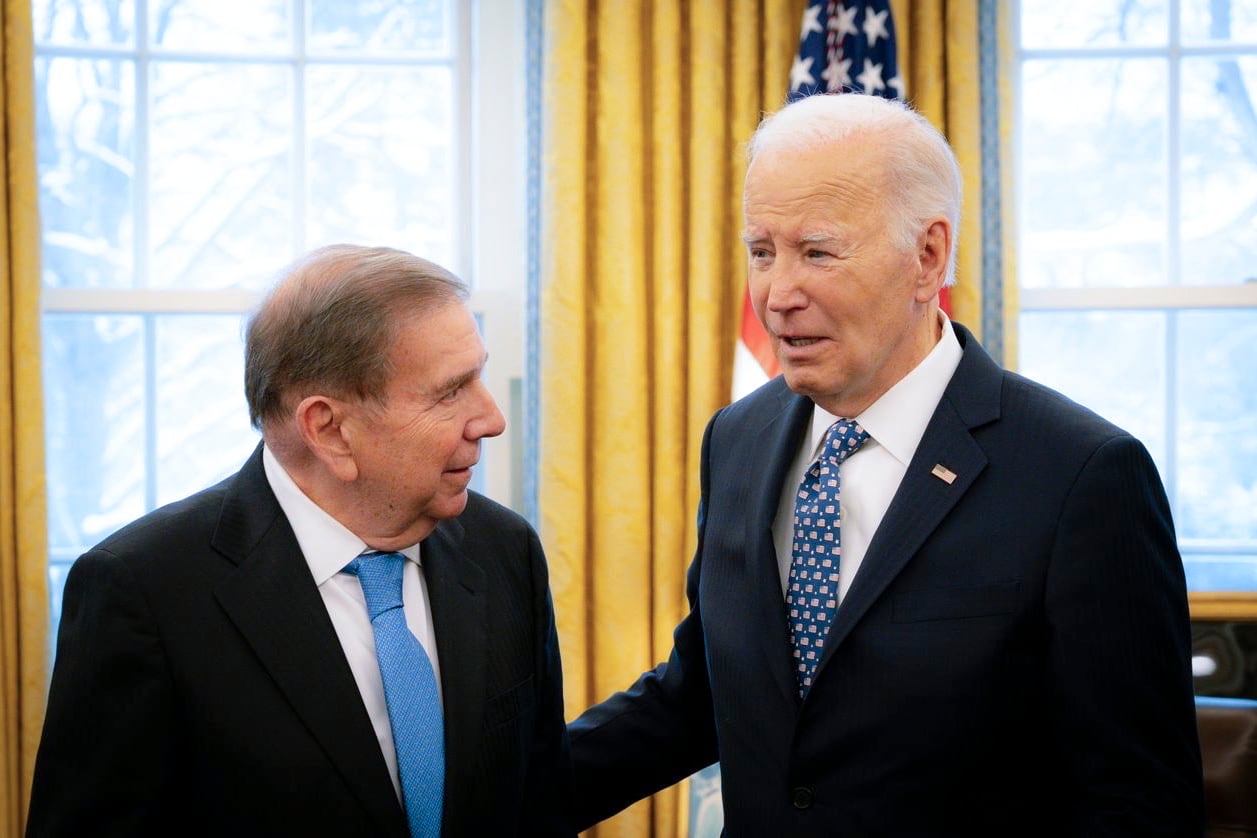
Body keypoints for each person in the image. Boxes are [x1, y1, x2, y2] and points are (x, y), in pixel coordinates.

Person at [568, 93, 1204, 835]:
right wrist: (480, 796)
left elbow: (1139, 803)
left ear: (926, 256)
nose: (777, 295)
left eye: (816, 251)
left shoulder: (1081, 476)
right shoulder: (737, 438)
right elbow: (703, 694)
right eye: (761, 252)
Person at [28, 245, 571, 837]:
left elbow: (538, 800)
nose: (491, 418)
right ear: (329, 429)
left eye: (480, 377)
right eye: (450, 391)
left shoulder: (504, 550)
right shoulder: (144, 591)